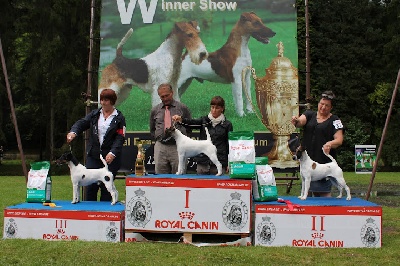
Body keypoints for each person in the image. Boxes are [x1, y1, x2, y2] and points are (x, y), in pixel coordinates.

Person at [66, 89, 126, 201]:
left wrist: (112, 153)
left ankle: (106, 213)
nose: (103, 102)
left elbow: (120, 138)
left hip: (110, 159)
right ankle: (88, 213)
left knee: (107, 190)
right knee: (90, 189)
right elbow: (82, 123)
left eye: (106, 100)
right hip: (93, 156)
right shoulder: (94, 114)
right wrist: (73, 132)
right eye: (102, 100)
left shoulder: (119, 118)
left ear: (112, 101)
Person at [291, 91, 344, 197]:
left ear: (331, 107)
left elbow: (339, 140)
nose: (323, 107)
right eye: (321, 104)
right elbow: (300, 122)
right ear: (318, 103)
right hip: (308, 164)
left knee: (324, 202)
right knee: (306, 200)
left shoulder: (335, 120)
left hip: (323, 167)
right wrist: (296, 121)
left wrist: (330, 143)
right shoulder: (309, 114)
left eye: (327, 105)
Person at [172, 96, 233, 175]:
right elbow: (191, 123)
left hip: (220, 158)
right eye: (212, 107)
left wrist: (229, 162)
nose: (214, 110)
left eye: (217, 108)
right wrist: (181, 119)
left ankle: (219, 168)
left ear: (222, 108)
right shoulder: (204, 120)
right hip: (203, 162)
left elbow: (229, 144)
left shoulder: (227, 124)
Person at [149, 83, 192, 174]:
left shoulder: (182, 108)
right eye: (162, 96)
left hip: (177, 147)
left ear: (172, 93)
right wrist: (159, 138)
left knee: (179, 177)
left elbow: (189, 127)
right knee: (160, 179)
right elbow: (152, 129)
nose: (165, 98)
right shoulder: (155, 110)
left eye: (167, 95)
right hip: (160, 147)